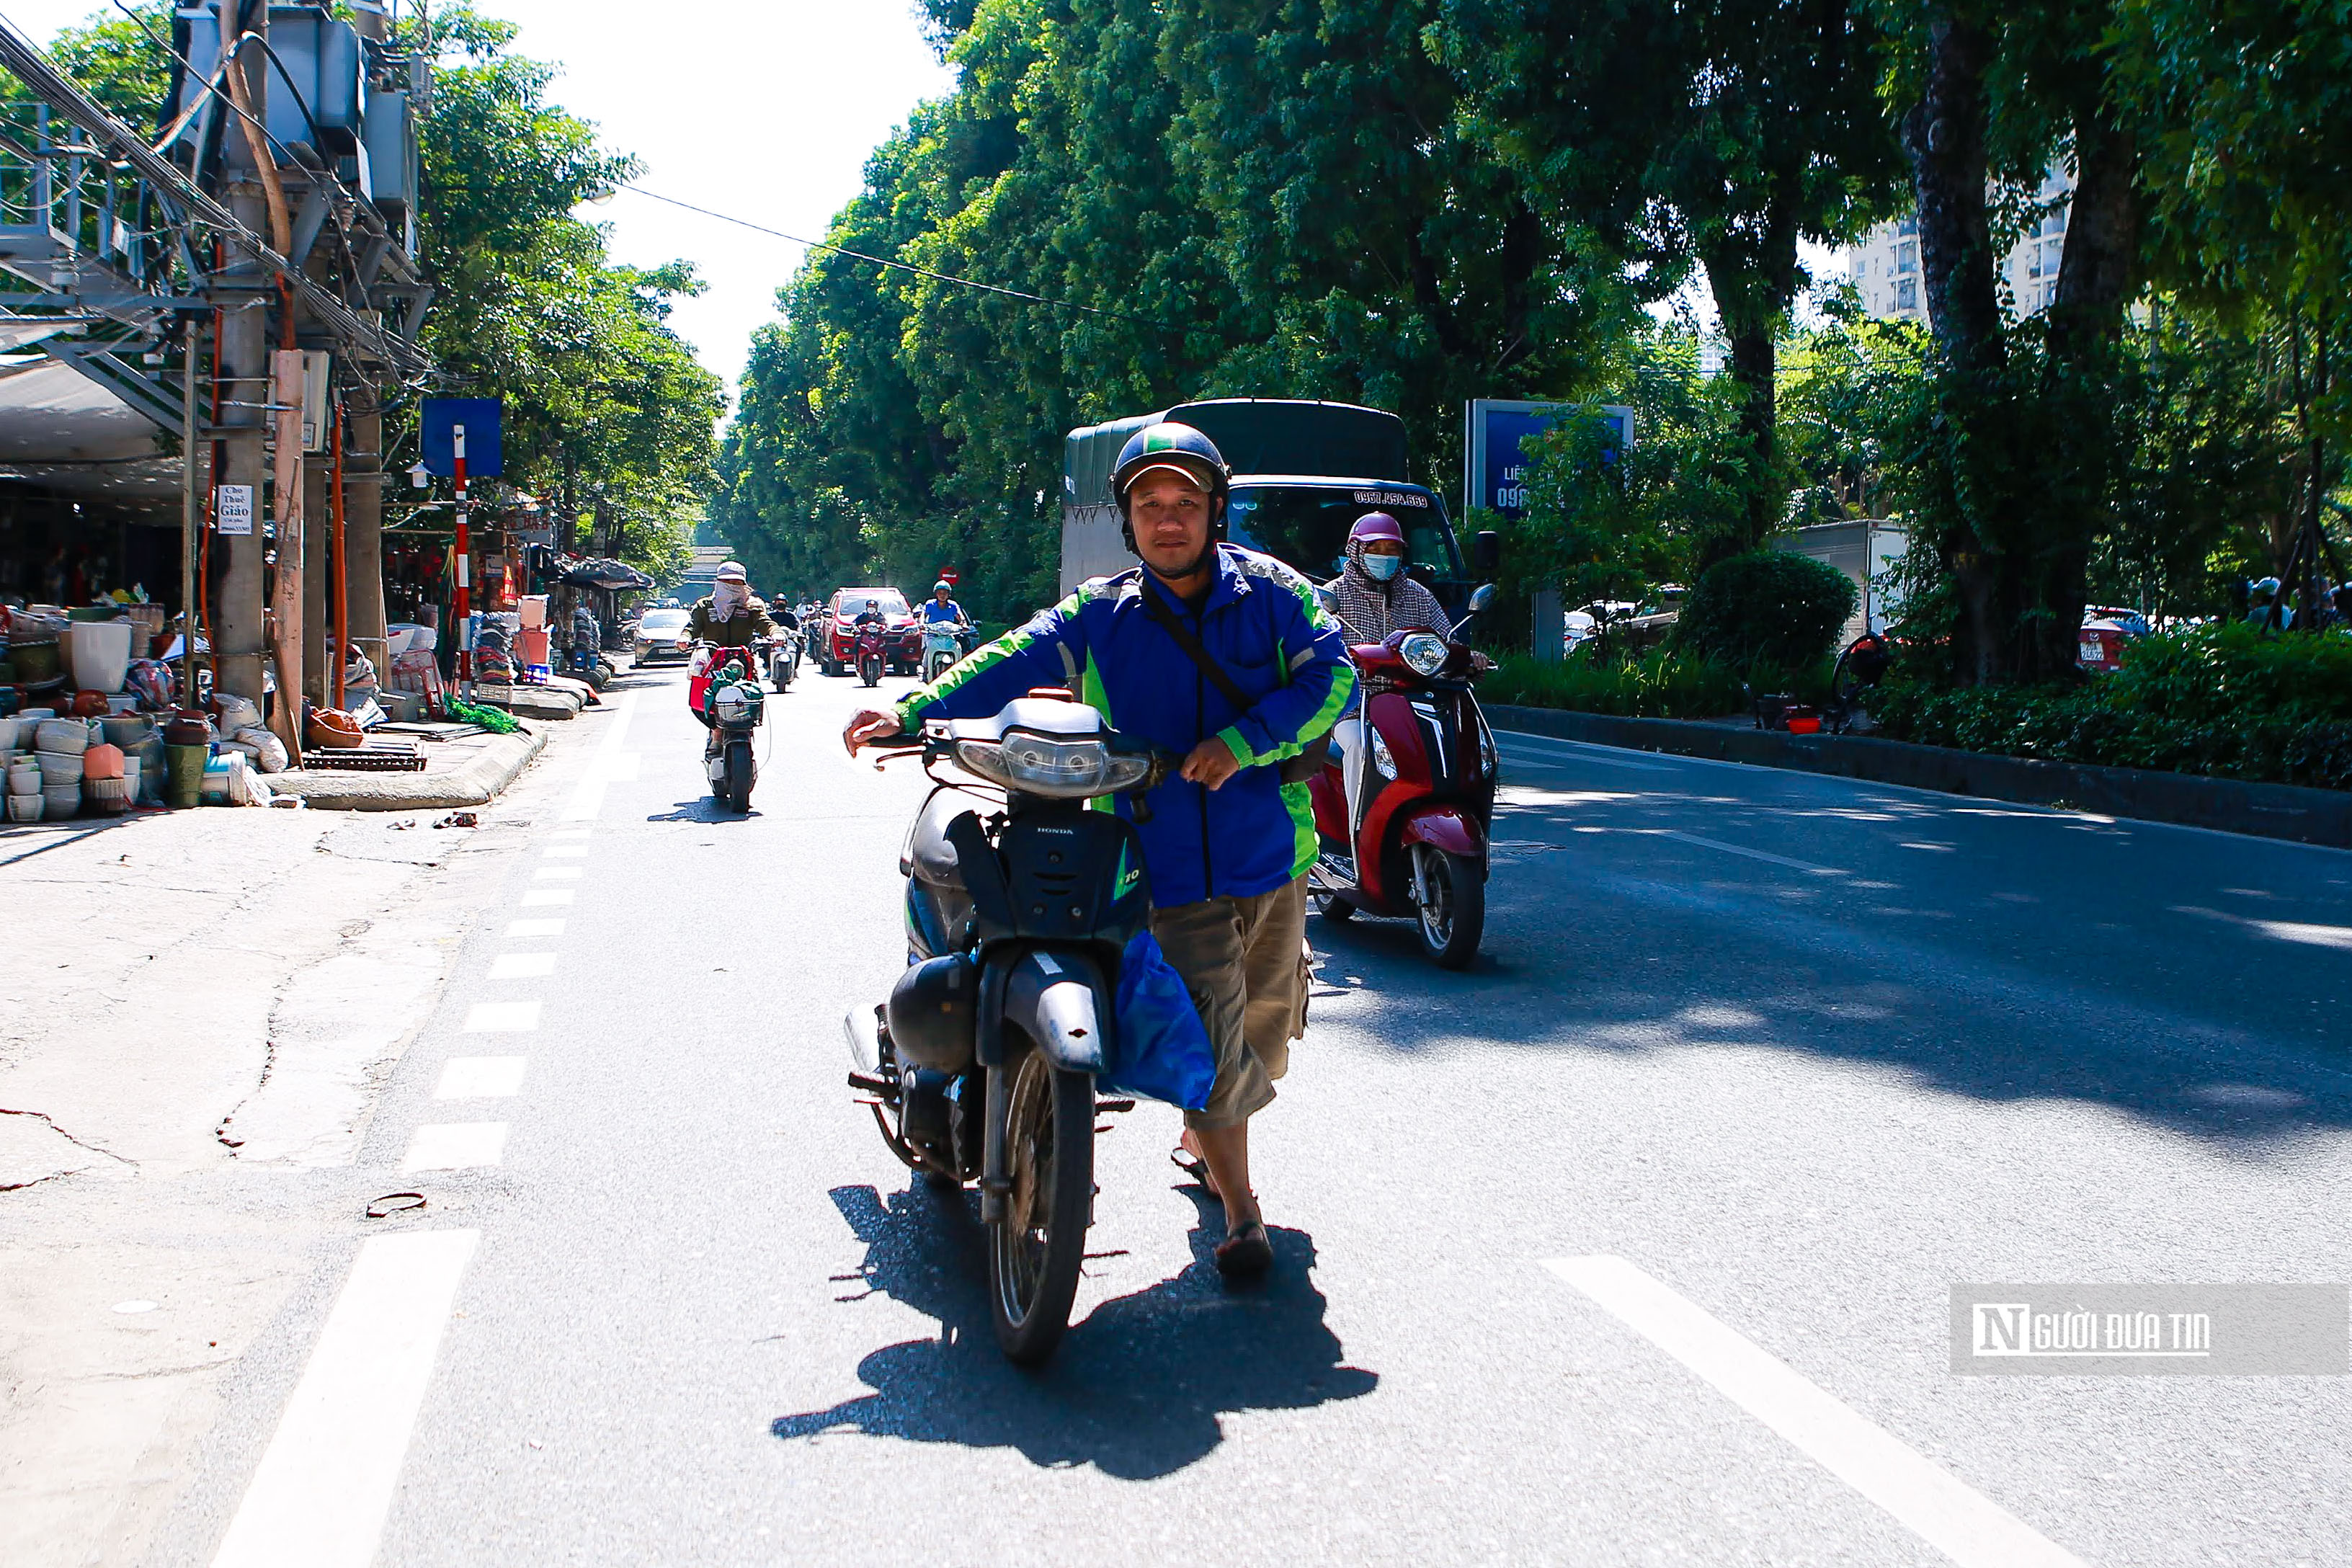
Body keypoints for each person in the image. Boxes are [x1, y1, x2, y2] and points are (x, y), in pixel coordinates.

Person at [845, 422, 1355, 1279]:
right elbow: (1013, 657)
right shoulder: (1102, 613)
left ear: (1214, 510)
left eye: (1185, 503)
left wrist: (1244, 741)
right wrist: (911, 707)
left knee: (1267, 1038)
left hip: (1273, 852)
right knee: (1218, 1039)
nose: (1168, 520)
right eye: (1149, 505)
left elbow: (1331, 675)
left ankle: (1203, 1131)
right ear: (1128, 520)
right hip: (1165, 864)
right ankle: (1241, 1210)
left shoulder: (1274, 592)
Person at [1326, 512, 1451, 826]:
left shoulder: (1419, 596)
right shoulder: (1333, 595)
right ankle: (1360, 829)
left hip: (1412, 704)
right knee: (1359, 744)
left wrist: (1468, 657)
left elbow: (1445, 641)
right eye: (1375, 549)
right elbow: (1313, 647)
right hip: (1354, 706)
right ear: (1355, 551)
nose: (1384, 557)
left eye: (1392, 551)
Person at [687, 561, 778, 649]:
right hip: (711, 658)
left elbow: (765, 623)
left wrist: (776, 633)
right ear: (718, 582)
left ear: (743, 584)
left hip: (744, 657)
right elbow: (693, 628)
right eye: (727, 581)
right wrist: (685, 638)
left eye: (736, 582)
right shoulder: (704, 606)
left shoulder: (751, 606)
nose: (731, 585)